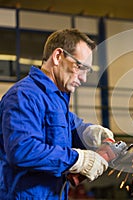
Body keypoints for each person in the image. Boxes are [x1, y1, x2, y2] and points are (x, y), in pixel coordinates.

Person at [0, 29, 114, 199]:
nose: (83, 78)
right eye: (80, 67)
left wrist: (90, 132)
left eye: (87, 71)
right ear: (58, 56)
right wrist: (77, 159)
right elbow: (22, 149)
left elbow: (71, 125)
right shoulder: (24, 96)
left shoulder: (56, 99)